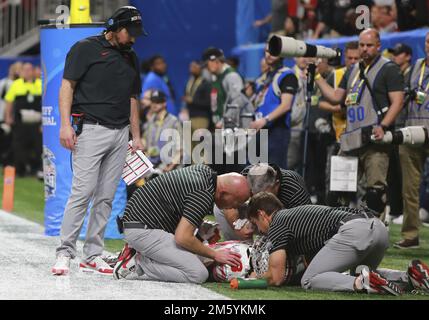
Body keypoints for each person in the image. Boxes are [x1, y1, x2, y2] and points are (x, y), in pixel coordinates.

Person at [51, 6, 146, 276]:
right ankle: (64, 253)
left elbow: (132, 98)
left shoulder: (131, 56)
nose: (134, 38)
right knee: (82, 193)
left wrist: (136, 136)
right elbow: (66, 86)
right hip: (90, 131)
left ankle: (92, 254)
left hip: (120, 134)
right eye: (131, 32)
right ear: (115, 27)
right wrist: (65, 125)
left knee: (105, 197)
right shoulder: (84, 48)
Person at [246, 192, 429, 295]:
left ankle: (363, 283)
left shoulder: (278, 221)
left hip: (354, 231)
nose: (260, 231)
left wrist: (255, 277)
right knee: (357, 272)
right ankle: (409, 277)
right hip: (377, 228)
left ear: (262, 214)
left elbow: (276, 278)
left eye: (256, 224)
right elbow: (316, 263)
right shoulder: (295, 218)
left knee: (309, 281)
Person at [315, 28, 404, 218]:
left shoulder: (389, 69)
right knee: (338, 191)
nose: (364, 49)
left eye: (369, 45)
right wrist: (316, 77)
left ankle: (374, 237)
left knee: (375, 194)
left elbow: (398, 101)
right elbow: (335, 97)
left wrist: (384, 126)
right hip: (350, 140)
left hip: (375, 140)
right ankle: (338, 232)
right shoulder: (353, 70)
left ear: (378, 46)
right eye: (362, 45)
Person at [113, 164, 251, 284]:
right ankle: (138, 262)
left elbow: (175, 206)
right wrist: (215, 254)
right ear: (224, 193)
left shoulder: (204, 172)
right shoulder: (204, 193)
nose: (234, 207)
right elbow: (182, 237)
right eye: (237, 202)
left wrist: (201, 231)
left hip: (142, 223)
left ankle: (141, 253)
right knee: (198, 273)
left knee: (201, 254)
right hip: (143, 230)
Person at [214, 163, 311, 241]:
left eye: (262, 194)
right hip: (257, 216)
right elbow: (229, 202)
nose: (257, 198)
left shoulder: (294, 190)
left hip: (284, 223)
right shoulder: (248, 174)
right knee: (220, 208)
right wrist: (237, 226)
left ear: (276, 185)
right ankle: (240, 251)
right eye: (252, 193)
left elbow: (304, 226)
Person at [395, 32, 429, 249]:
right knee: (409, 187)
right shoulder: (417, 65)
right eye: (427, 41)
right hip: (413, 131)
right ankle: (411, 234)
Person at [251, 44, 299, 169]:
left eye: (273, 51)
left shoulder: (287, 75)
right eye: (267, 51)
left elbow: (286, 105)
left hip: (277, 130)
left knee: (274, 174)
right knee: (254, 174)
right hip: (259, 131)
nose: (269, 54)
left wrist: (265, 120)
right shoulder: (263, 78)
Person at [4, 62, 42, 177]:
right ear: (21, 72)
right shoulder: (16, 84)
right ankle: (20, 170)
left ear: (33, 71)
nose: (27, 72)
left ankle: (36, 170)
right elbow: (9, 102)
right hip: (20, 122)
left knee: (38, 146)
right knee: (18, 146)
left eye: (29, 69)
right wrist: (8, 117)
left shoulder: (40, 84)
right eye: (24, 70)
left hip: (37, 122)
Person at [142, 89, 182, 175]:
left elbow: (180, 149)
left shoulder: (174, 121)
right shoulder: (150, 121)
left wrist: (169, 168)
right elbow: (144, 142)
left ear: (164, 103)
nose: (155, 104)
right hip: (152, 165)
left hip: (167, 167)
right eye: (153, 101)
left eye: (158, 102)